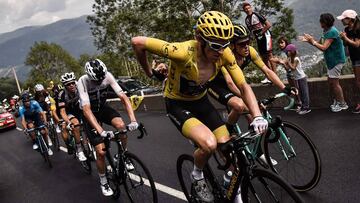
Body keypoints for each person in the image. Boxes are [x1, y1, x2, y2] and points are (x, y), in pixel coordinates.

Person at [132, 11, 268, 202]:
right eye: (214, 45)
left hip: (201, 102)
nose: (220, 51)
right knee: (209, 144)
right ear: (199, 39)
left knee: (228, 150)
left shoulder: (224, 53)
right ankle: (197, 175)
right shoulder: (181, 52)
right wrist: (149, 72)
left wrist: (257, 116)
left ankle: (234, 192)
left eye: (224, 45)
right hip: (177, 104)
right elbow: (137, 42)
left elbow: (243, 86)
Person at [207, 25, 296, 129]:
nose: (246, 46)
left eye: (247, 42)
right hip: (217, 85)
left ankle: (250, 137)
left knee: (253, 115)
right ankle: (229, 128)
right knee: (241, 106)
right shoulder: (226, 57)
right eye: (241, 44)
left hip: (236, 84)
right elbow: (230, 83)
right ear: (232, 45)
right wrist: (249, 101)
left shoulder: (250, 51)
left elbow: (267, 71)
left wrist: (284, 88)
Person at [77, 59, 139, 196]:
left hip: (103, 108)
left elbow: (124, 98)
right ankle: (103, 181)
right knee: (101, 151)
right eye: (96, 81)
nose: (99, 82)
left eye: (101, 80)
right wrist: (101, 131)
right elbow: (86, 110)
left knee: (121, 126)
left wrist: (133, 120)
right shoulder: (83, 81)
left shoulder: (108, 76)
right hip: (89, 113)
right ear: (89, 75)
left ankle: (123, 154)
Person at [301, 13, 348, 112]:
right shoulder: (326, 31)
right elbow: (320, 43)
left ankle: (342, 103)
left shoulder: (332, 32)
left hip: (336, 60)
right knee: (331, 82)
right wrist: (310, 41)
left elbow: (324, 47)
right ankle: (337, 100)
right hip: (332, 61)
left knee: (335, 83)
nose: (320, 23)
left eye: (321, 21)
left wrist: (312, 41)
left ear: (325, 22)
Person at [243, 2, 275, 84]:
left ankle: (275, 76)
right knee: (264, 58)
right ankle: (269, 76)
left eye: (248, 8)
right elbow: (251, 32)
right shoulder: (246, 20)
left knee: (269, 56)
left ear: (251, 8)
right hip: (259, 39)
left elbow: (268, 25)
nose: (247, 10)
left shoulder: (256, 15)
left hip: (266, 36)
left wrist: (261, 33)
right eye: (245, 9)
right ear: (244, 10)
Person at [58, 72, 87, 161]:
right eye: (68, 84)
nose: (71, 85)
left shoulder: (81, 88)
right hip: (68, 112)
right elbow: (62, 112)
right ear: (65, 86)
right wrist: (68, 122)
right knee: (75, 124)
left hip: (80, 108)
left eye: (73, 83)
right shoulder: (62, 95)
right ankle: (79, 149)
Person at [337, 10, 360, 113]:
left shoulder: (358, 29)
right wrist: (343, 39)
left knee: (358, 82)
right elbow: (347, 45)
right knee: (358, 81)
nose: (342, 20)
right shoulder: (347, 29)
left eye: (343, 18)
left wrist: (345, 37)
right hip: (354, 57)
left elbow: (357, 44)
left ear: (350, 19)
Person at [282, 44, 311, 115]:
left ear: (292, 51)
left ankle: (306, 108)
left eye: (288, 51)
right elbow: (288, 69)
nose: (287, 53)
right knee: (300, 93)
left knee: (304, 93)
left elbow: (293, 68)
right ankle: (302, 107)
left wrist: (288, 62)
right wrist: (283, 64)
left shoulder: (296, 59)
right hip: (297, 78)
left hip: (301, 78)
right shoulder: (290, 59)